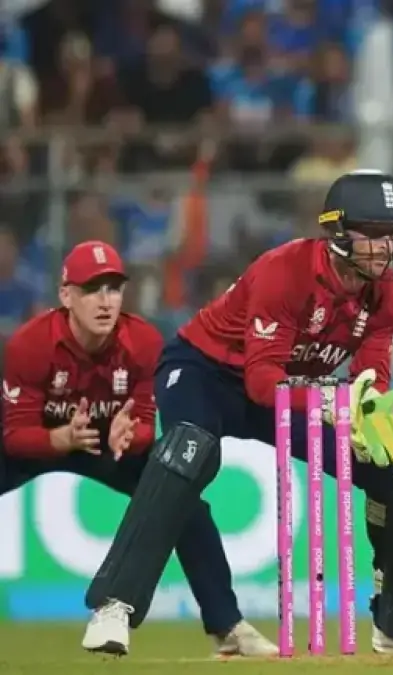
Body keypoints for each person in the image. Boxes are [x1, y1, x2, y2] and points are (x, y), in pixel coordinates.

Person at [83, 171, 393, 655]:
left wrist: (365, 409)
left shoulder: (387, 291)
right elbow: (261, 381)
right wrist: (329, 400)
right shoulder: (285, 271)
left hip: (293, 389)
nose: (385, 246)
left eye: (391, 233)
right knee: (189, 452)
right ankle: (114, 606)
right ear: (337, 232)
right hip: (209, 374)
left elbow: (371, 375)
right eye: (372, 233)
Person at [0, 241, 274, 657]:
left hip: (108, 447)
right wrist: (60, 439)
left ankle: (228, 627)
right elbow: (15, 436)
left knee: (185, 503)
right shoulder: (30, 343)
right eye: (91, 289)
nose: (105, 301)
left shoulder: (143, 341)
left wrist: (131, 437)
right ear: (66, 295)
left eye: (113, 288)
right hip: (44, 441)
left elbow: (145, 423)